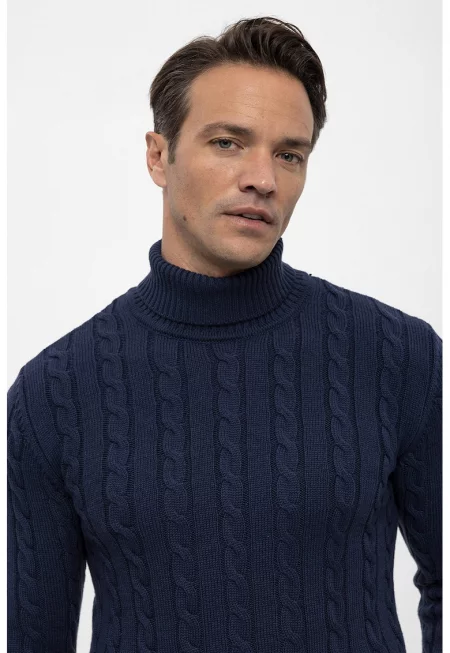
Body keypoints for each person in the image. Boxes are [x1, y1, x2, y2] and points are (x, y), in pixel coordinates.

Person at [7, 15, 442, 653]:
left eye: (289, 154)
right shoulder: (54, 393)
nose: (263, 178)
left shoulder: (399, 357)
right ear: (159, 156)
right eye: (228, 143)